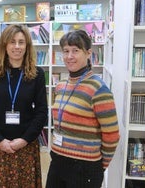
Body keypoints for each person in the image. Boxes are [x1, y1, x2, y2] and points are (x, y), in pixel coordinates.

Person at [46, 30, 120, 188]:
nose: (69, 56)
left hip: (85, 167)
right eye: (66, 51)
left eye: (75, 51)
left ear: (88, 53)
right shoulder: (61, 85)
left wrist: (99, 166)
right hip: (58, 160)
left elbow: (112, 135)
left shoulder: (98, 88)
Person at [0, 24, 48, 188]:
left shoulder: (37, 74)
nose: (17, 46)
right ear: (5, 45)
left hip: (25, 146)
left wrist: (24, 140)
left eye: (21, 42)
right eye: (12, 42)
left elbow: (41, 112)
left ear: (27, 46)